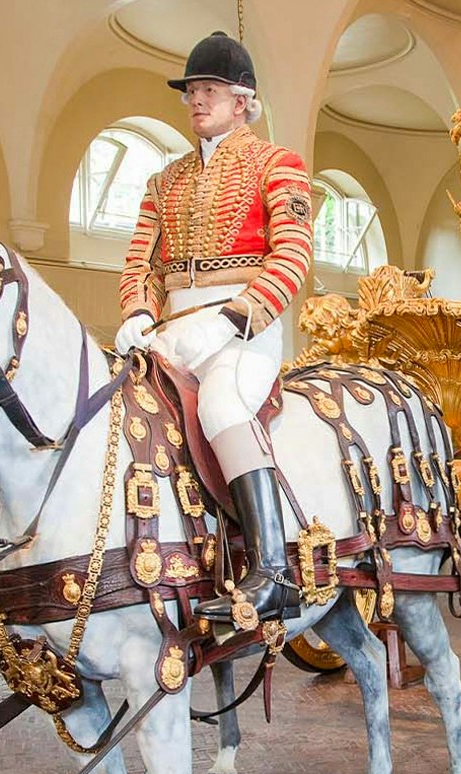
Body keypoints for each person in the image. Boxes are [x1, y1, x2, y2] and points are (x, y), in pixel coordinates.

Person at [114, 30, 315, 625]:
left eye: (210, 90)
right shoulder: (163, 181)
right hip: (173, 326)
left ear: (242, 101)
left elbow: (293, 254)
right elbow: (140, 262)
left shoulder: (278, 165)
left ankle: (273, 570)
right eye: (192, 91)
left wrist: (234, 318)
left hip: (242, 327)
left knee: (223, 405)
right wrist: (137, 311)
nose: (196, 100)